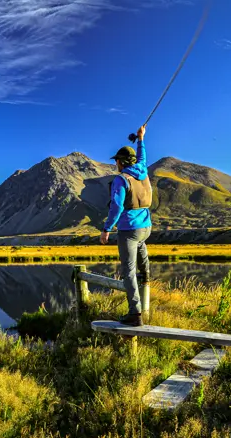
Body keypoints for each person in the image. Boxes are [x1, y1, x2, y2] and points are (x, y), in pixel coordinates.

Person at [100, 124, 152, 327]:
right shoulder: (143, 170)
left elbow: (116, 206)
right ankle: (146, 274)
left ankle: (135, 314)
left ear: (121, 162)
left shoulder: (121, 180)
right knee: (140, 247)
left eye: (116, 162)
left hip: (129, 230)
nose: (116, 165)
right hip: (146, 227)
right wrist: (141, 139)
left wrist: (106, 229)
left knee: (128, 271)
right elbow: (142, 157)